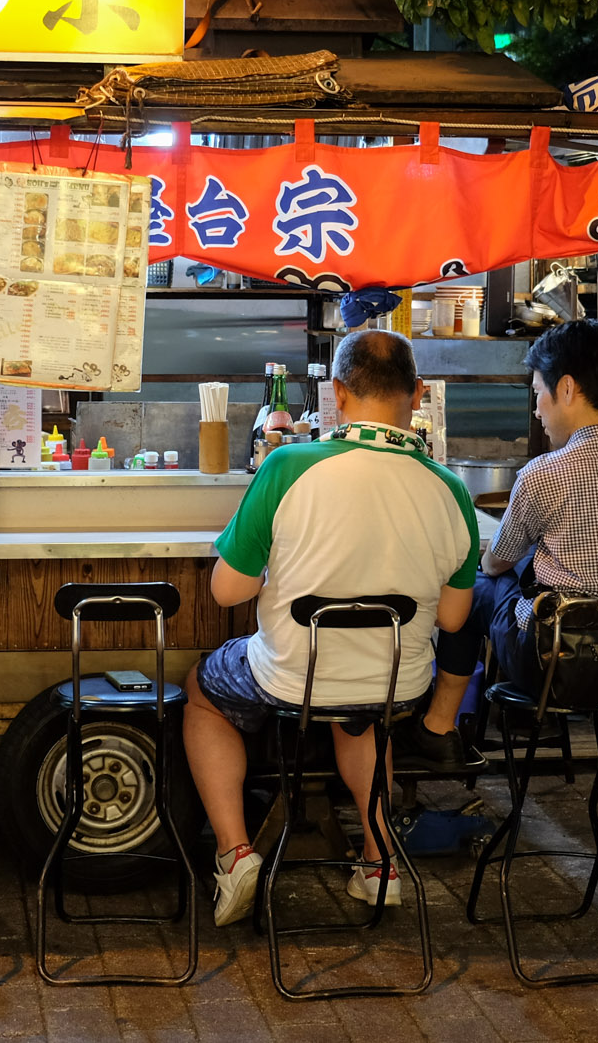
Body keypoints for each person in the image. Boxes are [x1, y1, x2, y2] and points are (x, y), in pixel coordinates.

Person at [183, 330, 479, 926]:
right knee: (363, 715)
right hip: (398, 681)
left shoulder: (287, 465)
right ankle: (379, 863)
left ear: (337, 395)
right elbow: (452, 619)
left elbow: (226, 592)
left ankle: (236, 854)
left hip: (290, 677)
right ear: (416, 395)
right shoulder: (450, 488)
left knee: (202, 691)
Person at [399, 319, 598, 773]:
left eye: (539, 393)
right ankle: (494, 724)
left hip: (563, 659)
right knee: (535, 567)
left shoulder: (546, 473)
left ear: (567, 389)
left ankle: (438, 727)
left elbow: (497, 562)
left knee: (471, 587)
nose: (537, 409)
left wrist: (481, 559)